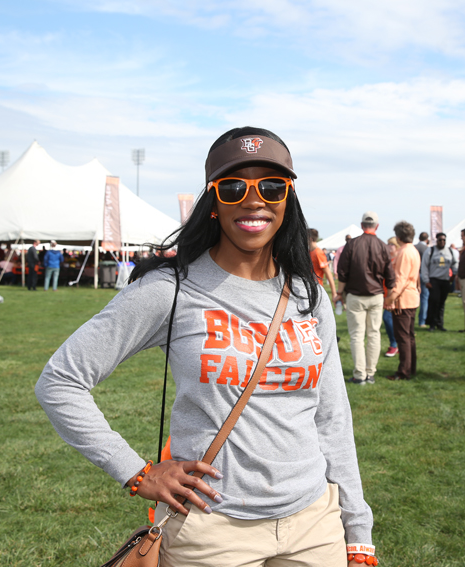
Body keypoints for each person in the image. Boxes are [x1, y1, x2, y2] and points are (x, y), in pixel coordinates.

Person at [35, 127, 375, 567]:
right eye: (234, 188)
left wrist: (356, 529)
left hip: (314, 523)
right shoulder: (171, 289)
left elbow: (332, 417)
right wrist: (136, 473)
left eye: (272, 187)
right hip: (211, 530)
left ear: (288, 198)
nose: (254, 200)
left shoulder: (308, 294)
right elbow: (60, 380)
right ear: (213, 200)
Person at [335, 212, 395, 385]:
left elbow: (342, 271)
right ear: (377, 226)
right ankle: (370, 373)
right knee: (374, 334)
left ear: (362, 225)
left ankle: (360, 374)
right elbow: (390, 275)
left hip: (356, 296)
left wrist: (339, 292)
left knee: (357, 336)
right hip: (376, 295)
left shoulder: (352, 244)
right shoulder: (382, 246)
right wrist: (390, 296)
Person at [384, 222, 420, 381]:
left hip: (403, 300)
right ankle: (410, 368)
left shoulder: (404, 252)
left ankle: (404, 371)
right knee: (409, 337)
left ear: (398, 237)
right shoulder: (413, 250)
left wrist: (390, 298)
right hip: (411, 297)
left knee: (403, 337)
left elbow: (401, 279)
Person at [420, 232, 454, 332]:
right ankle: (432, 324)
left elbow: (455, 263)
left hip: (445, 280)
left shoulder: (449, 251)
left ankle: (440, 324)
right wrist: (426, 280)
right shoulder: (430, 251)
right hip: (434, 280)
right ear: (436, 240)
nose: (442, 242)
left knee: (442, 303)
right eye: (440, 240)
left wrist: (453, 276)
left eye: (444, 240)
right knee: (434, 302)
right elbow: (424, 266)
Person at [382, 237, 399, 357]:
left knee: (388, 318)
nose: (389, 246)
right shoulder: (388, 260)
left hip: (395, 295)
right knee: (390, 319)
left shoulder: (398, 260)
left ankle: (394, 344)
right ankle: (396, 344)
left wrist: (392, 296)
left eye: (391, 244)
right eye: (388, 244)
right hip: (386, 294)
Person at [309, 228, 336, 298]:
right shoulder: (309, 252)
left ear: (310, 239)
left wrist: (334, 293)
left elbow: (328, 273)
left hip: (316, 288)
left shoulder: (318, 253)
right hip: (308, 287)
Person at [414, 232, 429, 327]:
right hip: (424, 274)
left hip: (414, 274)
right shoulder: (427, 249)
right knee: (424, 298)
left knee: (413, 297)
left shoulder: (414, 247)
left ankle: (411, 319)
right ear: (427, 239)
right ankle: (422, 321)